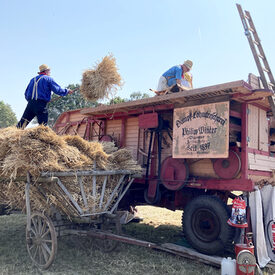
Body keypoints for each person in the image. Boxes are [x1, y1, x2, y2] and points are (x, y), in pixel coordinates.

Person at [17, 64, 73, 129]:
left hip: (30, 104)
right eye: (49, 70)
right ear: (46, 71)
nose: (50, 72)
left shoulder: (32, 80)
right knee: (43, 126)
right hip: (41, 105)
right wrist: (67, 91)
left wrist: (32, 101)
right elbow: (58, 90)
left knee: (22, 124)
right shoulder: (48, 79)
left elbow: (26, 94)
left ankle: (12, 135)